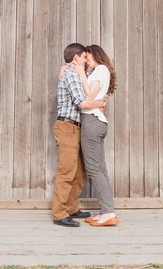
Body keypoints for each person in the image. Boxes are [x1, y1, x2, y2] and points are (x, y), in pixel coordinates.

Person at [52, 42, 106, 227]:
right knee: (66, 170)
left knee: (80, 171)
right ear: (76, 58)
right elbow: (81, 102)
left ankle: (71, 207)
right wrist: (99, 104)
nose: (86, 60)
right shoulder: (70, 75)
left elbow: (89, 80)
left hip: (76, 127)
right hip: (67, 126)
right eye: (84, 57)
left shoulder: (73, 73)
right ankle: (59, 213)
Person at [76, 43, 118, 227]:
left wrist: (80, 75)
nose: (86, 60)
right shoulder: (100, 71)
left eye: (88, 56)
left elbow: (89, 95)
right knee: (101, 169)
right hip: (98, 121)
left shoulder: (100, 69)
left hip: (91, 122)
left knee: (94, 169)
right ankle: (106, 211)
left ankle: (108, 213)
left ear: (95, 55)